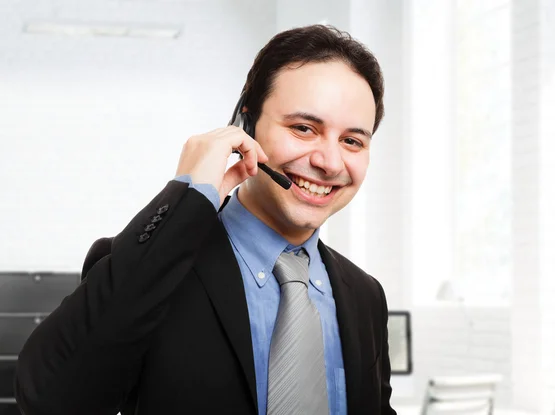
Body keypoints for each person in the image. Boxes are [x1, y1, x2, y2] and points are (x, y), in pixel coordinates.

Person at [15, 24, 395, 415]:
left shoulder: (364, 296)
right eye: (303, 128)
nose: (329, 163)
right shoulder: (152, 269)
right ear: (245, 125)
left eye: (352, 141)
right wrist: (187, 197)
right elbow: (50, 401)